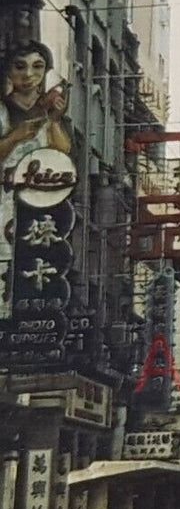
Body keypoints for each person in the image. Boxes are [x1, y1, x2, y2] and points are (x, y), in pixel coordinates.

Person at [0, 43, 72, 323]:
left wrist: (53, 121)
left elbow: (62, 153)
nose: (28, 74)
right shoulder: (4, 111)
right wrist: (18, 136)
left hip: (36, 204)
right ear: (9, 71)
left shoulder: (48, 114)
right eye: (20, 66)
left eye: (37, 66)